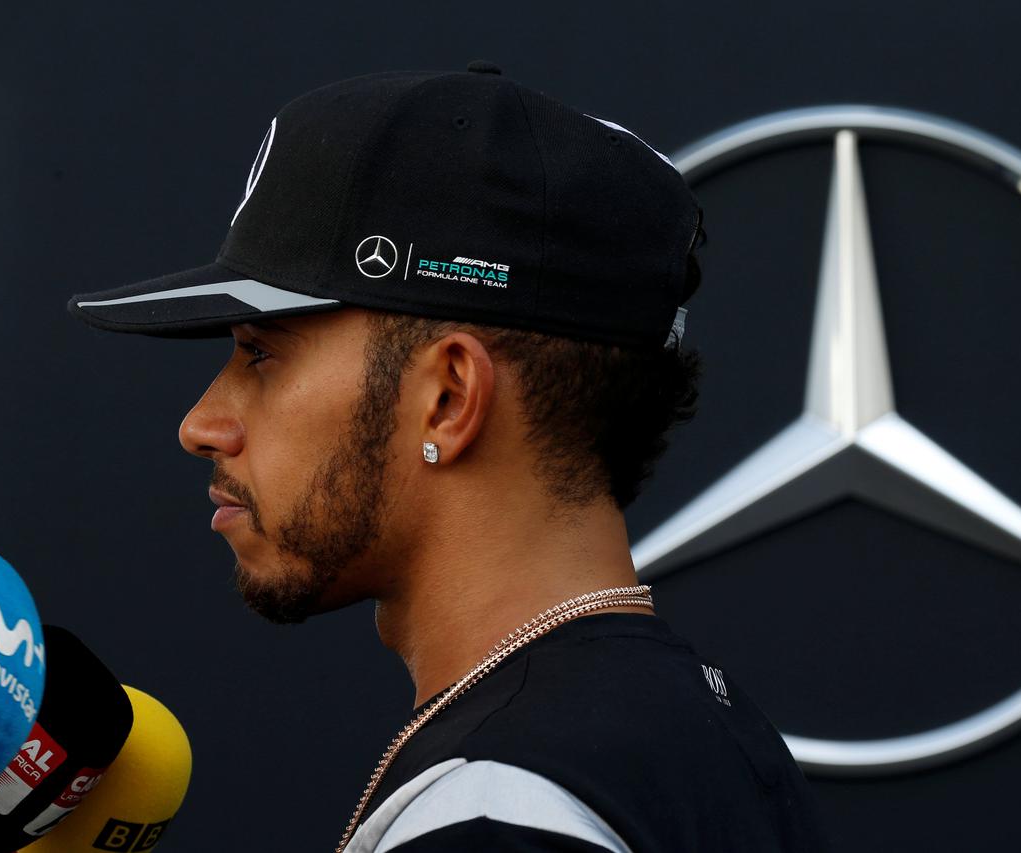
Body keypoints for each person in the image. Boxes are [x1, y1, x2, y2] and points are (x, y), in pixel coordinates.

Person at [69, 64, 831, 852]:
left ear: (449, 395)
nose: (201, 423)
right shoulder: (719, 739)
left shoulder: (498, 811)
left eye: (260, 354)